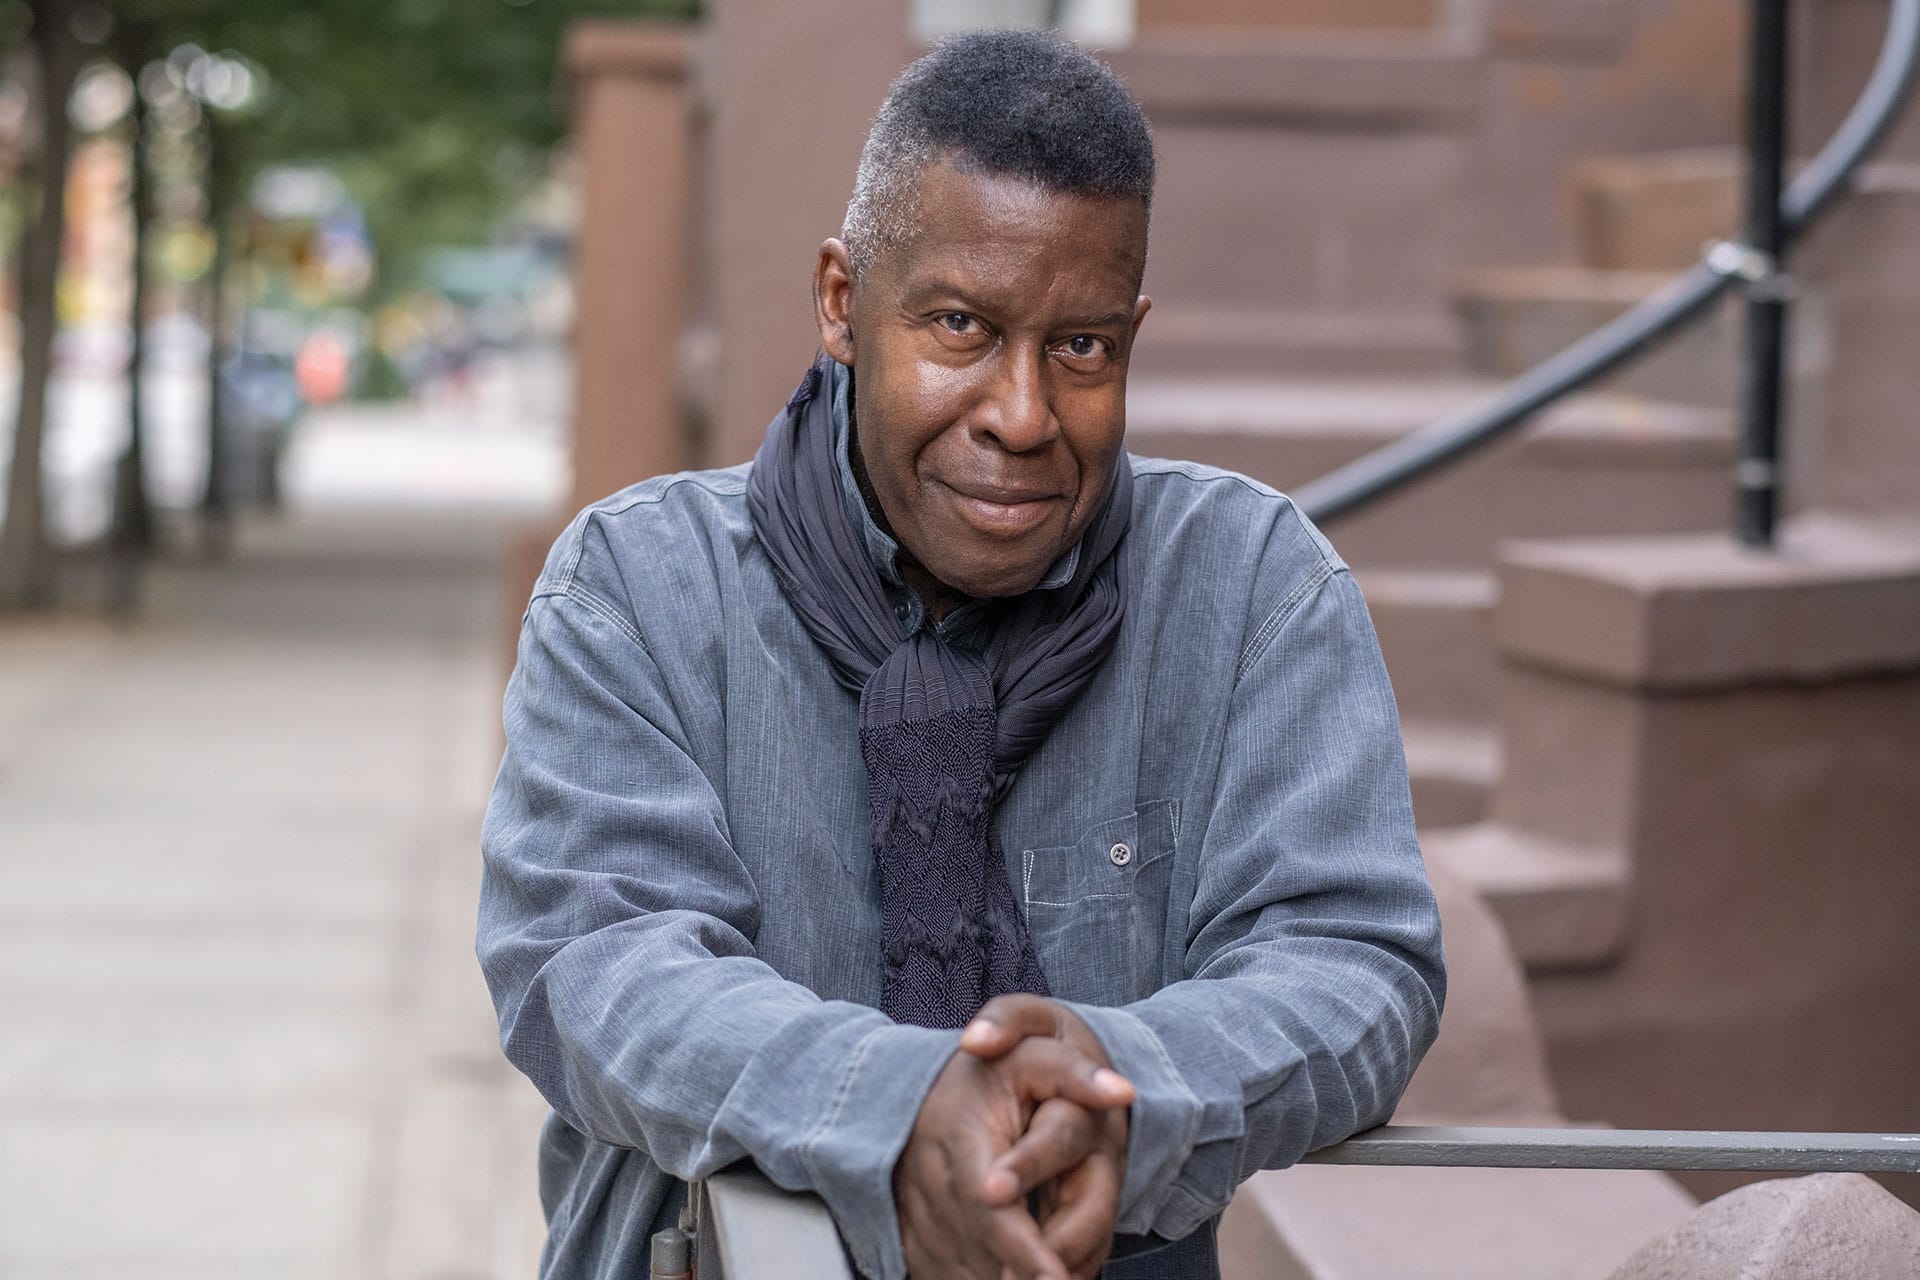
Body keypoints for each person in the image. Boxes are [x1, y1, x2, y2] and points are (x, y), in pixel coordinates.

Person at [478, 29, 1444, 1280]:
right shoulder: (638, 590)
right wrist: (899, 1106)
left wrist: (1119, 1092)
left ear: (1134, 331)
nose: (1024, 412)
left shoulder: (1254, 585)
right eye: (960, 326)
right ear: (842, 303)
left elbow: (1353, 958)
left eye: (1083, 346)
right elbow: (595, 968)